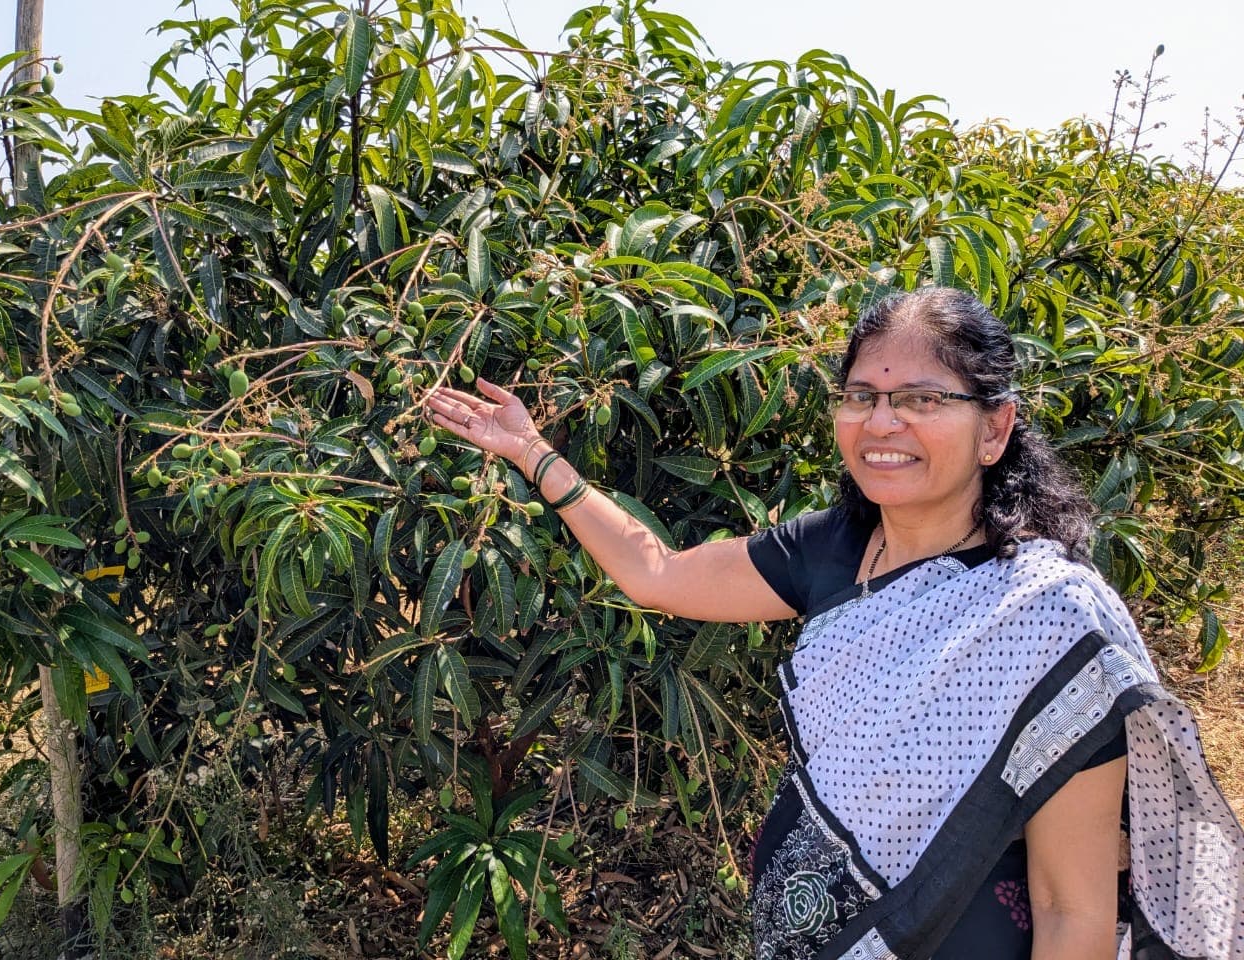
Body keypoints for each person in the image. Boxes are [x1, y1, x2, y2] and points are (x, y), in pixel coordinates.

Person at [425, 287, 1244, 959]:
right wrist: (533, 453)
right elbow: (659, 574)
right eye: (862, 396)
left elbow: (1074, 911)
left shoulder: (1050, 619)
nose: (881, 424)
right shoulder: (832, 547)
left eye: (922, 399)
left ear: (995, 428)